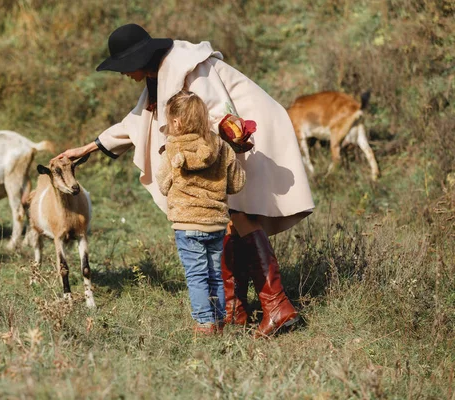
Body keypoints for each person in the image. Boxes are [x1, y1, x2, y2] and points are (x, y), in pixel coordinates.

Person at [56, 23, 315, 337]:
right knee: (231, 217)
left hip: (249, 132)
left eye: (125, 67)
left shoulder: (187, 66)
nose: (124, 75)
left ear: (140, 58)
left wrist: (233, 137)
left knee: (241, 215)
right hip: (225, 140)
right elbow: (137, 122)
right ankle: (237, 310)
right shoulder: (160, 75)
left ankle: (276, 307)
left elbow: (220, 110)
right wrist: (87, 148)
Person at [156, 90, 246, 335]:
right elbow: (236, 185)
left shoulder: (173, 148)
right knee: (215, 274)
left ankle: (204, 324)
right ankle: (218, 321)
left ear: (176, 122)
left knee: (196, 276)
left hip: (187, 225)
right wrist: (235, 155)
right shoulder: (221, 146)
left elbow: (163, 185)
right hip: (215, 223)